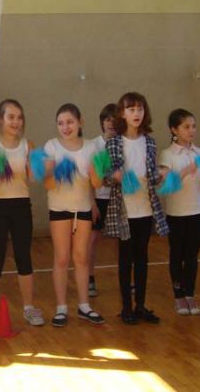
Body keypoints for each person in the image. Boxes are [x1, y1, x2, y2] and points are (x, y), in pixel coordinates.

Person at [0, 99, 45, 330]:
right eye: (11, 117)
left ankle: (28, 307)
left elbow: (33, 178)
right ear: (0, 119)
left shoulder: (28, 145)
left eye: (19, 117)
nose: (16, 122)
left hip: (21, 206)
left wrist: (39, 164)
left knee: (24, 258)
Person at [102, 92, 169, 325]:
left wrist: (161, 173)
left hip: (145, 208)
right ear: (122, 114)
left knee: (142, 258)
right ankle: (126, 307)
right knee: (125, 259)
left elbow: (151, 175)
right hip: (125, 210)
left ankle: (140, 305)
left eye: (140, 109)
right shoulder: (114, 143)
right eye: (131, 109)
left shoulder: (149, 141)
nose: (136, 113)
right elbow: (106, 177)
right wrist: (115, 176)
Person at [159, 109, 200, 316]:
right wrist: (187, 170)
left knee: (192, 255)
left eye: (193, 126)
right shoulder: (167, 154)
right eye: (186, 126)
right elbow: (168, 186)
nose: (191, 130)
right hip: (176, 213)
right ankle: (178, 296)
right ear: (174, 130)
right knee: (177, 254)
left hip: (197, 211)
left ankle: (190, 294)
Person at [43, 104, 104, 327]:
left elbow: (97, 183)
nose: (65, 127)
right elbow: (48, 184)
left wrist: (94, 171)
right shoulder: (51, 146)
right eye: (60, 123)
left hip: (83, 209)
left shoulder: (92, 147)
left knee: (81, 257)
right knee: (61, 258)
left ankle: (84, 305)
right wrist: (56, 173)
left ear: (80, 122)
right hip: (59, 209)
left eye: (70, 122)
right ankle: (61, 307)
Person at [89, 103, 117, 297]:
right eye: (107, 119)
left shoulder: (123, 144)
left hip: (117, 199)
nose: (111, 123)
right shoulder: (93, 146)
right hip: (98, 199)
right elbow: (89, 177)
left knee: (120, 241)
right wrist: (92, 203)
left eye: (114, 120)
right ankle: (90, 278)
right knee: (92, 239)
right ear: (102, 122)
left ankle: (125, 278)